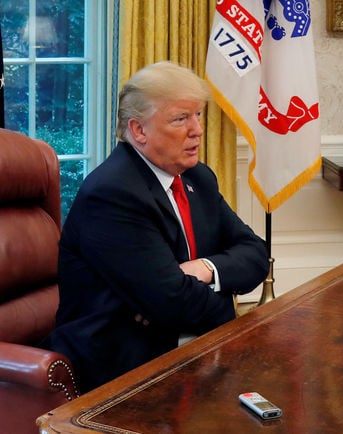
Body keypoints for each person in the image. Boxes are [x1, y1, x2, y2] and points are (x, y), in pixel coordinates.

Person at [45, 61, 269, 392]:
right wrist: (223, 296)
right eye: (181, 119)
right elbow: (172, 302)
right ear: (138, 130)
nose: (197, 130)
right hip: (122, 367)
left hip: (187, 346)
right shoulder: (113, 193)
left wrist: (205, 269)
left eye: (198, 115)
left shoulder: (197, 178)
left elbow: (256, 254)